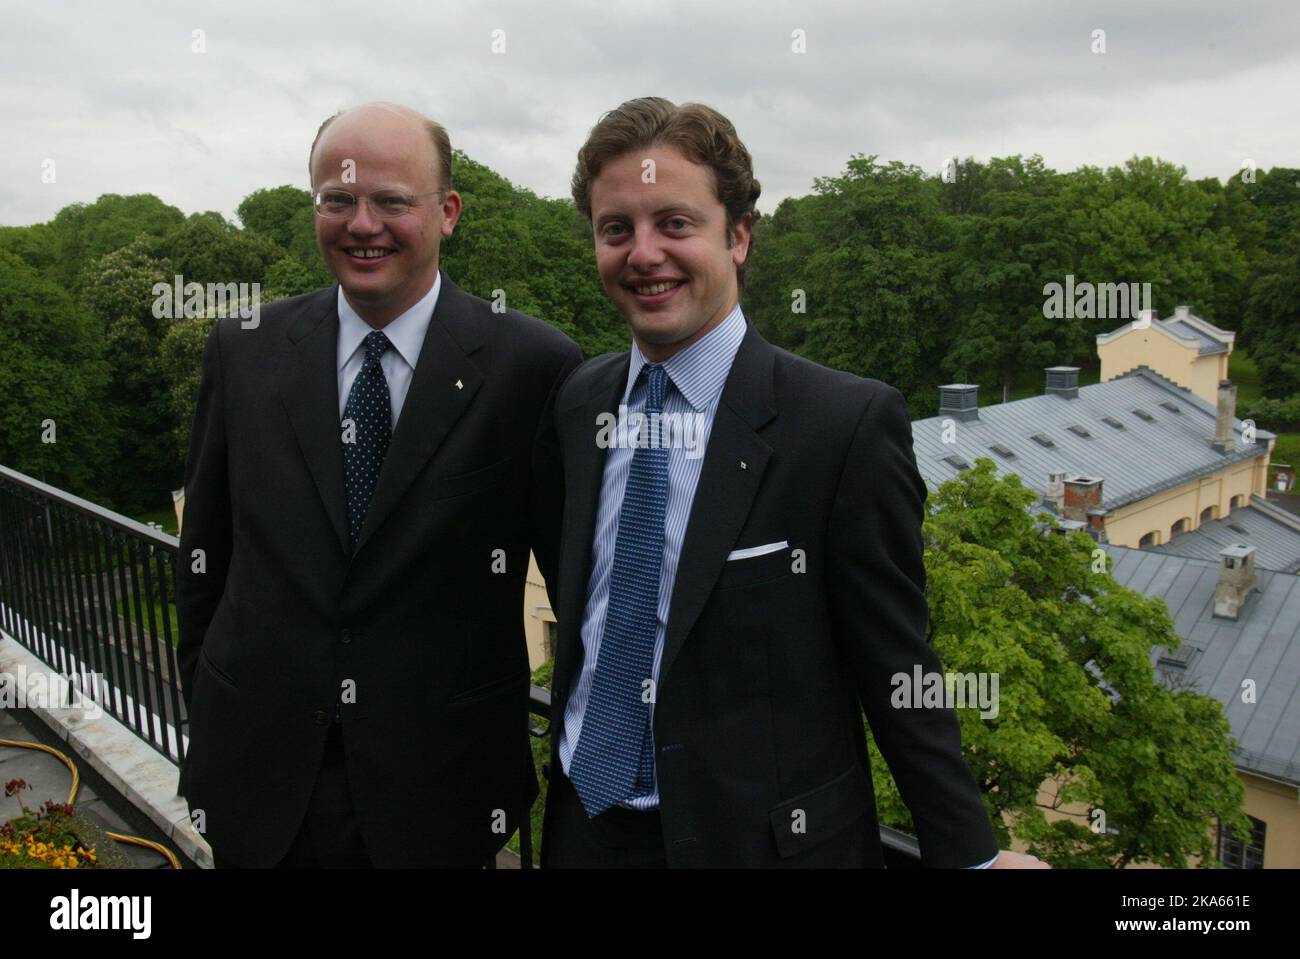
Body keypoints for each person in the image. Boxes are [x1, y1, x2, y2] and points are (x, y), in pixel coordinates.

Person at [541, 96, 1047, 868]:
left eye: (675, 223)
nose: (644, 253)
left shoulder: (840, 425)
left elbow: (896, 660)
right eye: (617, 229)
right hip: (584, 829)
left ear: (738, 235)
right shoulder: (581, 403)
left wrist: (970, 854)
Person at [176, 102, 581, 868]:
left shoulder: (533, 367)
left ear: (447, 211)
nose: (363, 223)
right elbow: (205, 562)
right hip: (258, 785)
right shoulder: (244, 350)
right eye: (338, 199)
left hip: (443, 796)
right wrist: (214, 714)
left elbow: (575, 594)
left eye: (392, 199)